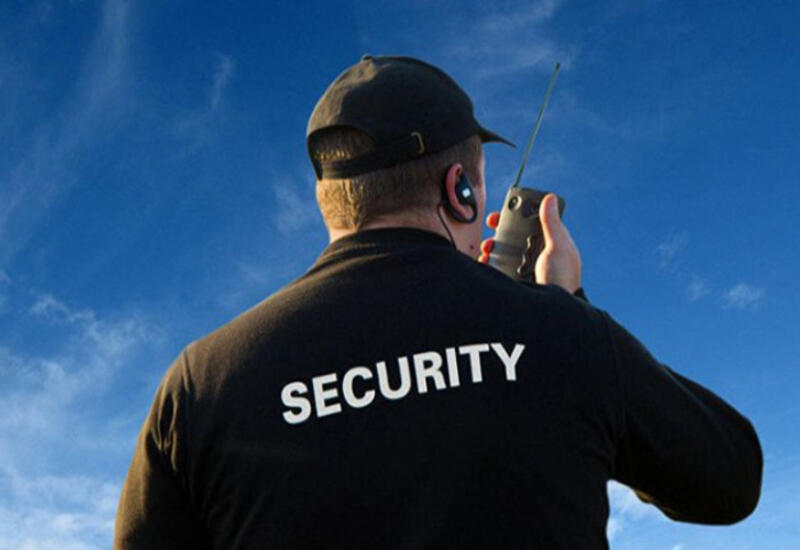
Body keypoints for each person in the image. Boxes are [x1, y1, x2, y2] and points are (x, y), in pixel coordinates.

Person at [114, 55, 762, 550]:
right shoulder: (566, 334)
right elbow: (730, 480)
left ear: (329, 200)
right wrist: (568, 304)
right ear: (461, 191)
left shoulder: (199, 384)